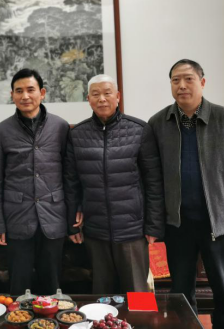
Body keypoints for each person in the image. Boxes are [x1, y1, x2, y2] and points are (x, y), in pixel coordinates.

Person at [143, 59, 224, 329]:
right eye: (175, 80)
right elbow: (152, 180)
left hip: (218, 223)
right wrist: (155, 224)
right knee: (180, 293)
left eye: (188, 79)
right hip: (177, 225)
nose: (182, 85)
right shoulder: (158, 123)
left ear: (202, 83)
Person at [65, 75, 163, 294]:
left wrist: (154, 226)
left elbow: (154, 182)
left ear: (117, 96)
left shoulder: (139, 129)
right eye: (96, 94)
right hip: (95, 230)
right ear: (88, 99)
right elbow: (71, 182)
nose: (102, 99)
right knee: (102, 297)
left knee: (138, 295)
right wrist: (72, 222)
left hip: (132, 231)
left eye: (107, 93)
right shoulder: (77, 134)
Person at [0, 69, 70, 296]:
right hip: (17, 218)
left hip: (53, 217)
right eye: (19, 91)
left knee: (53, 289)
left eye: (30, 90)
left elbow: (69, 175)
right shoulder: (2, 130)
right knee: (19, 290)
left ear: (42, 93)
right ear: (12, 95)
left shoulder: (60, 127)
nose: (25, 96)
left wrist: (73, 219)